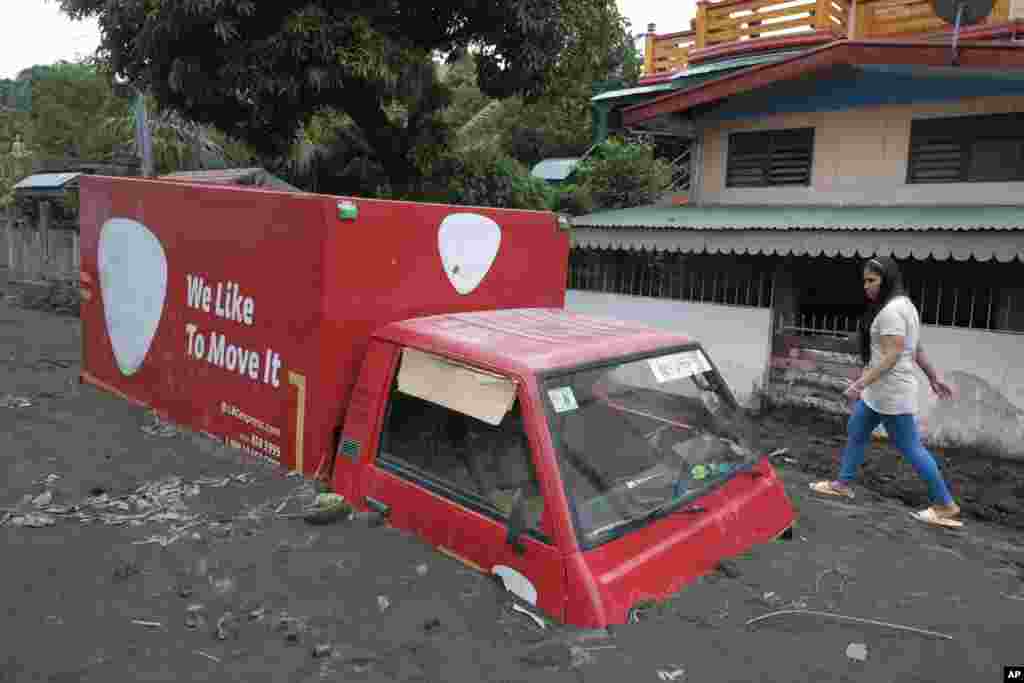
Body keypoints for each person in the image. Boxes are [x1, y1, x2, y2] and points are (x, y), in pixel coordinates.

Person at [810, 256, 963, 528]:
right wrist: (934, 378)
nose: (866, 286)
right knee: (857, 429)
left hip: (891, 394)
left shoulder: (892, 312)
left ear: (887, 279)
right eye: (865, 281)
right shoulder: (906, 306)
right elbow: (914, 350)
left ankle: (945, 505)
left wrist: (859, 384)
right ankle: (842, 483)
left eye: (872, 280)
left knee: (910, 447)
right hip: (879, 393)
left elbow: (893, 356)